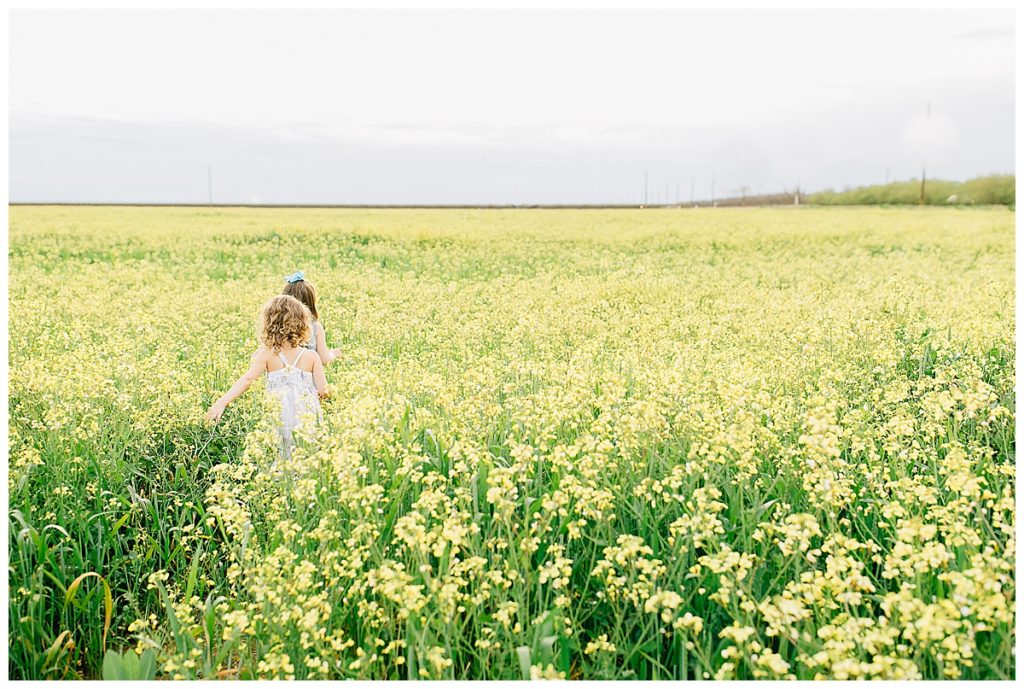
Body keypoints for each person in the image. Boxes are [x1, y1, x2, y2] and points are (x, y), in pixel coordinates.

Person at [205, 295, 329, 455]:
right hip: (307, 415)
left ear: (270, 325)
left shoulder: (267, 355)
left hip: (279, 413)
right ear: (303, 324)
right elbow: (325, 390)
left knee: (280, 455)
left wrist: (222, 402)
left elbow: (247, 380)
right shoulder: (312, 357)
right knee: (307, 454)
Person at [282, 270, 342, 365]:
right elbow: (324, 359)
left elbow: (261, 355)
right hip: (306, 377)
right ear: (311, 303)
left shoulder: (278, 326)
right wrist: (333, 354)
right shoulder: (315, 327)